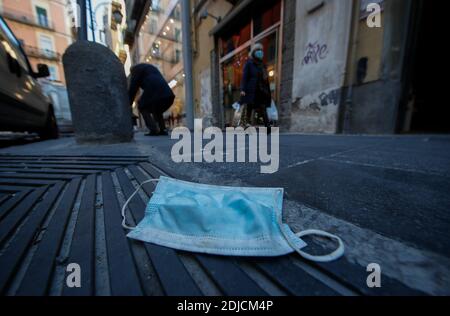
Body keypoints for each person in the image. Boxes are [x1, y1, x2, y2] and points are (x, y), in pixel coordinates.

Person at [129, 63, 175, 136]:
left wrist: (129, 103)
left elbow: (133, 88)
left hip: (154, 89)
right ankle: (162, 129)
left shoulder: (135, 70)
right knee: (157, 108)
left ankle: (153, 129)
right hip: (168, 94)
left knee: (142, 105)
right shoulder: (150, 68)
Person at [240, 43, 272, 130]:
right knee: (249, 107)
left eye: (261, 50)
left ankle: (267, 126)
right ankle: (246, 124)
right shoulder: (249, 64)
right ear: (254, 52)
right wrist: (243, 89)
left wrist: (267, 90)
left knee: (262, 107)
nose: (260, 52)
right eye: (258, 50)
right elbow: (245, 77)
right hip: (251, 90)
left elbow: (265, 79)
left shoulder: (262, 65)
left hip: (261, 90)